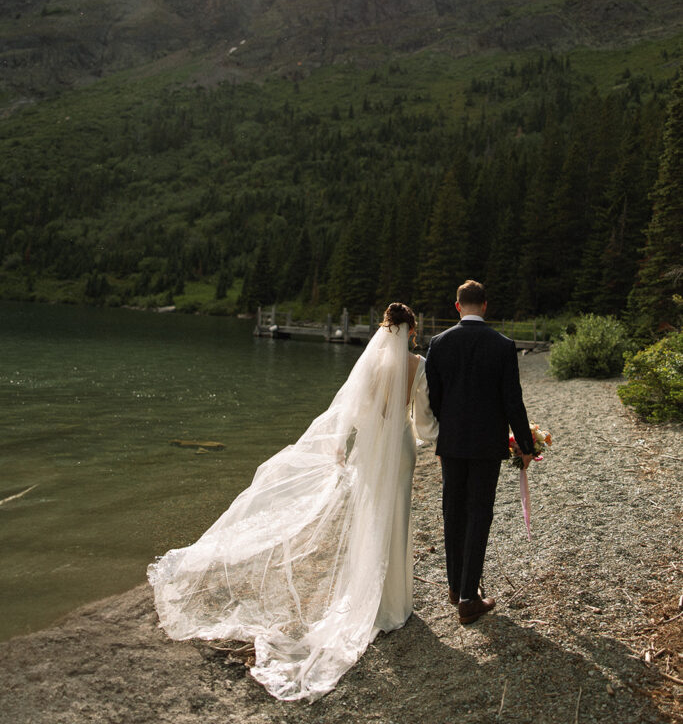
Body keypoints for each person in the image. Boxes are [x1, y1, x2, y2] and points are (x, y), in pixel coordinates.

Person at [148, 302, 437, 702]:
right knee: (397, 519)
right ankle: (395, 604)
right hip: (401, 447)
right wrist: (433, 436)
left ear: (384, 330)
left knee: (370, 517)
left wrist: (342, 444)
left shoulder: (371, 365)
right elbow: (422, 417)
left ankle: (369, 597)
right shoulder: (418, 364)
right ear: (413, 330)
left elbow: (355, 409)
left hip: (371, 447)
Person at [425, 279, 534, 625]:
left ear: (457, 306)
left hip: (453, 443)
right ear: (485, 305)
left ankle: (457, 587)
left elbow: (435, 400)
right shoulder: (503, 345)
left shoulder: (438, 343)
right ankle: (469, 598)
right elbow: (512, 401)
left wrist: (445, 434)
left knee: (452, 511)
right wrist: (526, 446)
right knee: (479, 514)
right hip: (488, 444)